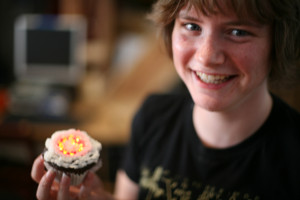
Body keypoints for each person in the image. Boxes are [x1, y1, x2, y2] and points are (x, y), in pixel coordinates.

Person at [31, 0, 300, 199]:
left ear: (278, 42)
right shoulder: (152, 117)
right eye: (192, 26)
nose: (207, 56)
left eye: (238, 32)